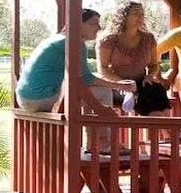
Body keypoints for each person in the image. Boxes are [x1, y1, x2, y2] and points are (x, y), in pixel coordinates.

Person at [16, 9, 136, 152]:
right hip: (39, 97)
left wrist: (116, 86)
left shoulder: (59, 39)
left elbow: (83, 78)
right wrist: (120, 86)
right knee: (103, 92)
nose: (99, 27)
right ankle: (102, 142)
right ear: (78, 23)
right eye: (94, 23)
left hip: (27, 98)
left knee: (93, 93)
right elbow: (87, 79)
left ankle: (95, 142)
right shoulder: (74, 42)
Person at [97, 1, 172, 116]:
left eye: (142, 14)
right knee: (145, 98)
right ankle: (162, 126)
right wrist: (123, 83)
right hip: (116, 85)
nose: (140, 17)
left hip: (142, 83)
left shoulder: (149, 38)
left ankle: (166, 125)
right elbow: (103, 68)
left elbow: (154, 65)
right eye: (136, 13)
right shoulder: (108, 39)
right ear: (124, 16)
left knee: (156, 89)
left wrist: (149, 76)